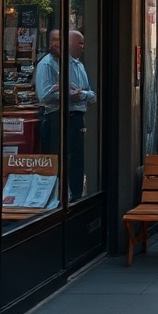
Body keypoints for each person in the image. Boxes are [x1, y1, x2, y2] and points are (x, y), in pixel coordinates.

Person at [35, 29, 96, 201]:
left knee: (76, 159)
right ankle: (55, 198)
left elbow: (91, 95)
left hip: (76, 118)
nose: (56, 44)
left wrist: (78, 94)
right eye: (54, 40)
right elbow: (45, 96)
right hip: (57, 117)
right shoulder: (47, 64)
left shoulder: (77, 65)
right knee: (57, 159)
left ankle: (74, 197)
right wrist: (71, 94)